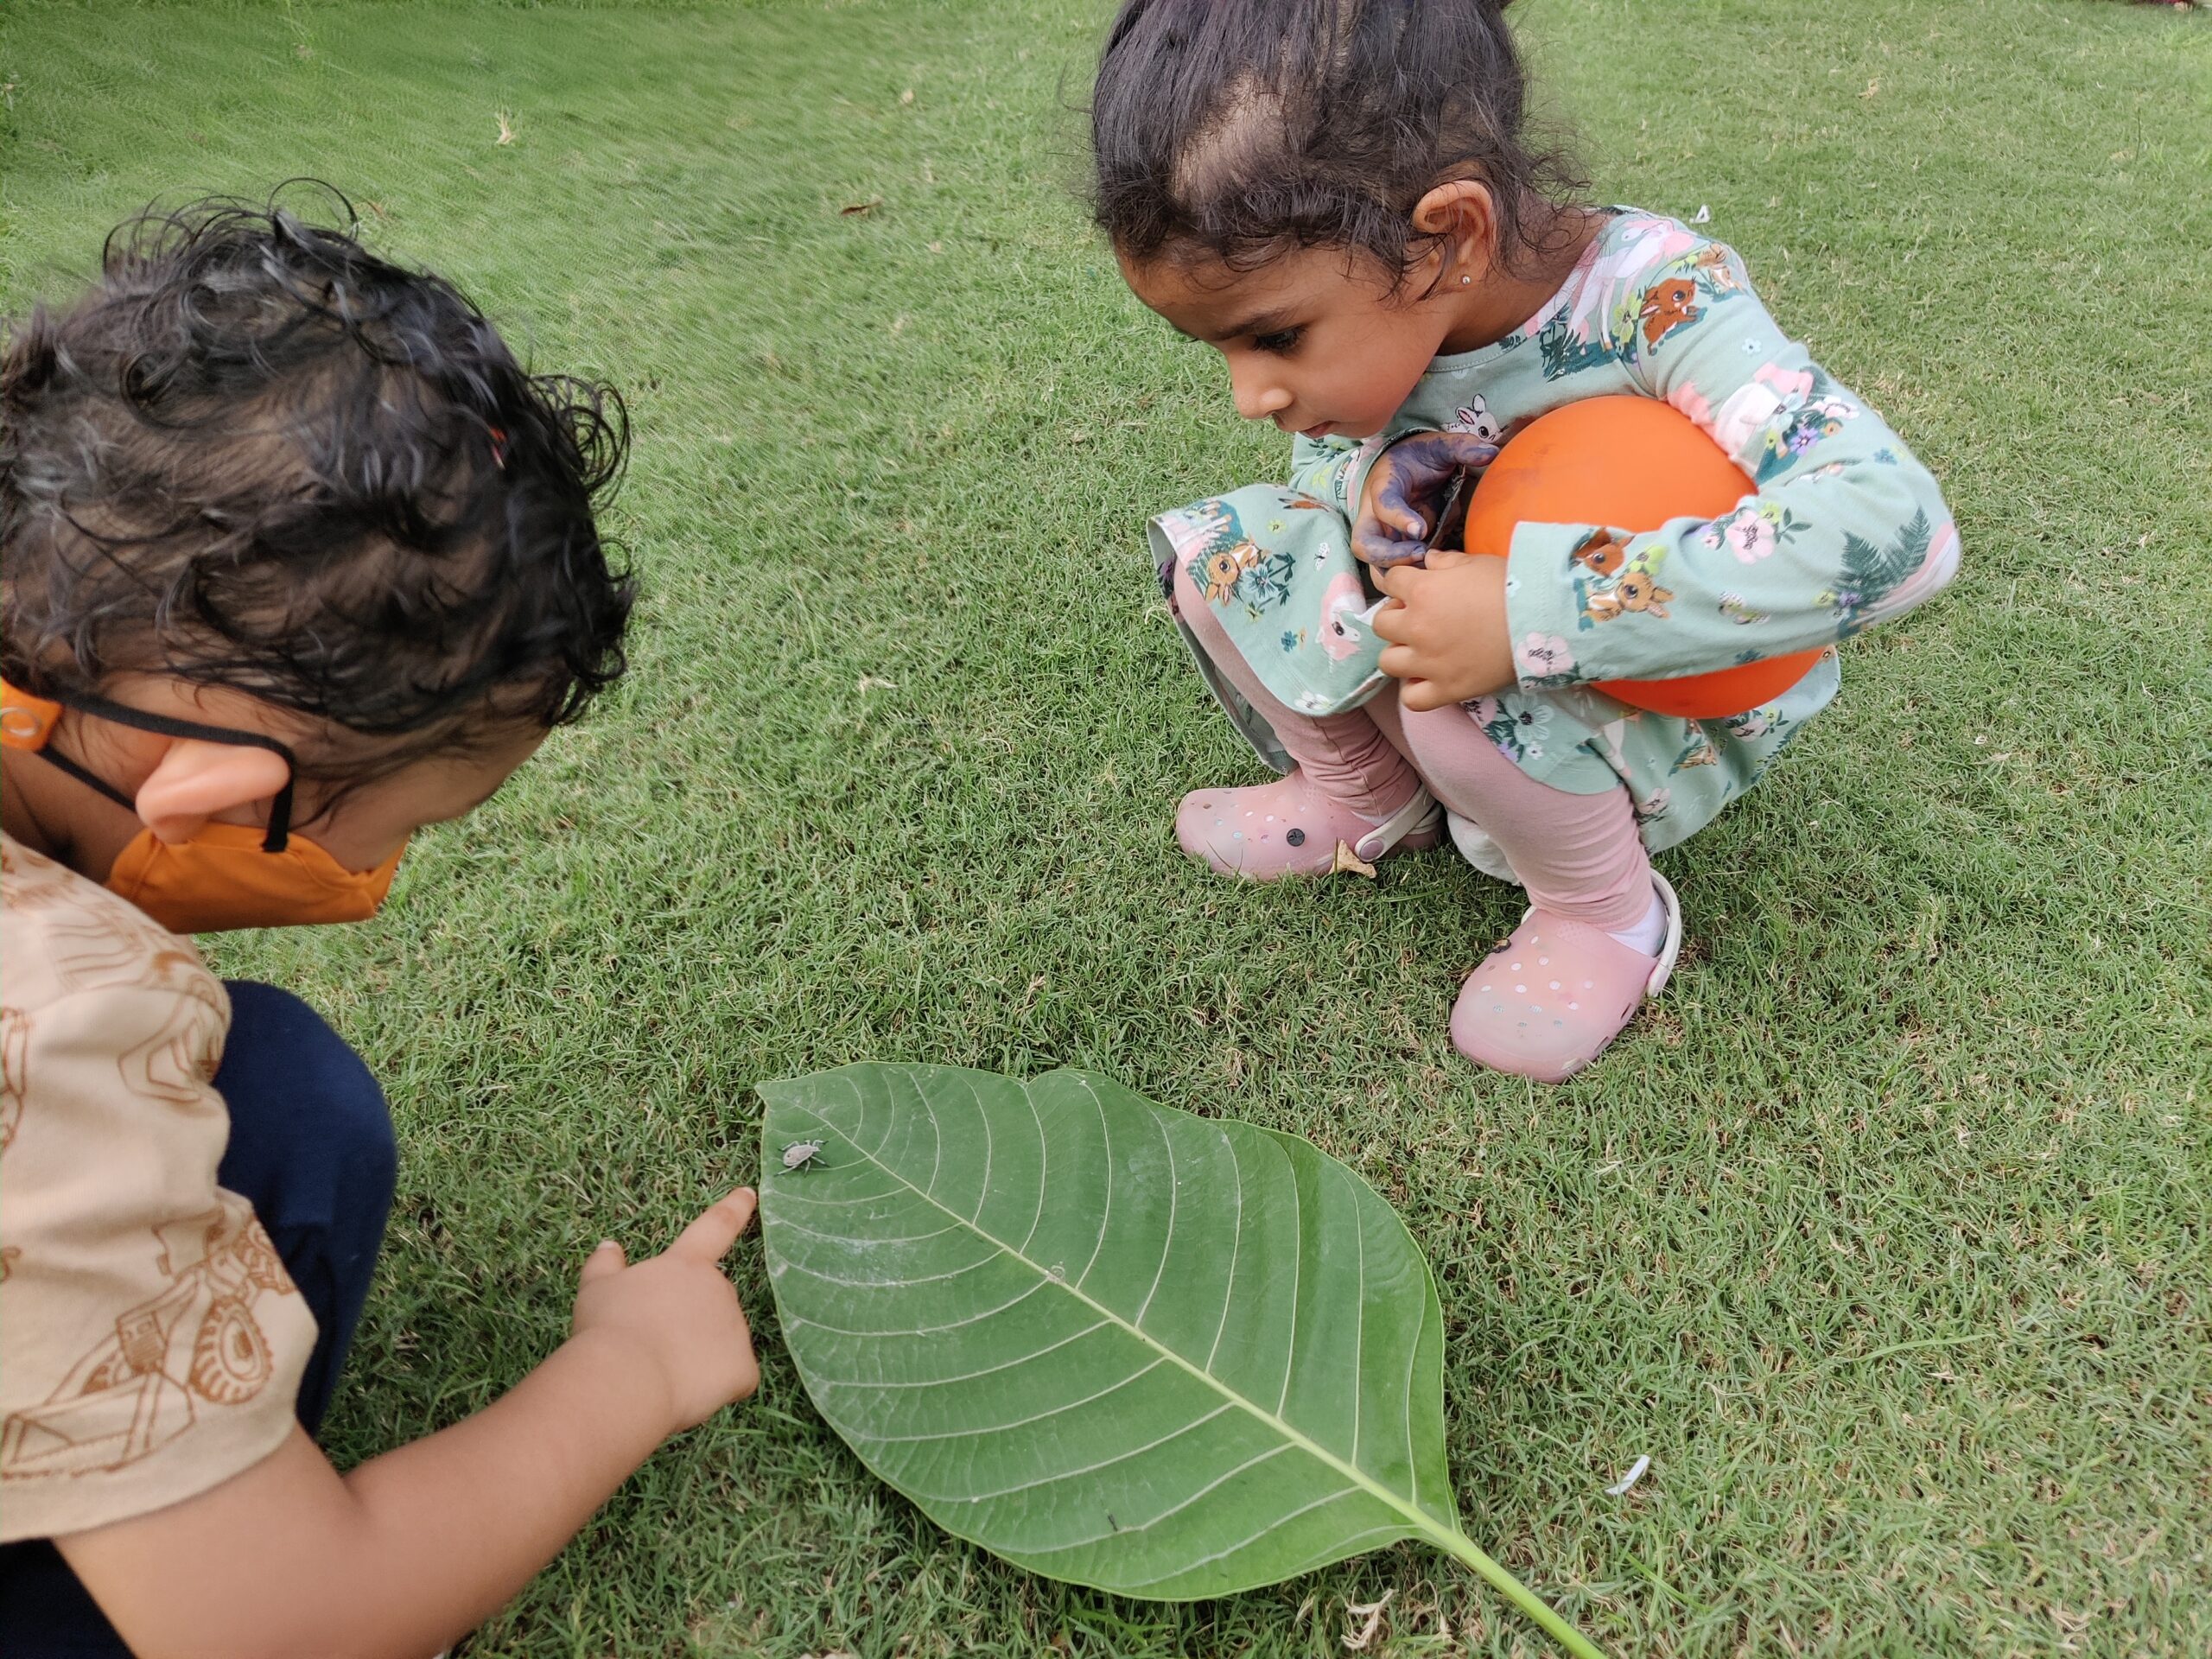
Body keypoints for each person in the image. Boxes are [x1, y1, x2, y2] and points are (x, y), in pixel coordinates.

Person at [0, 195, 760, 1658]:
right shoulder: (56, 1011)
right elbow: (282, 1625)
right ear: (220, 797)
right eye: (401, 825)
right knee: (296, 1112)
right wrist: (631, 1375)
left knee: (262, 1083)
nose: (388, 871)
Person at [1091, 0, 1961, 1080]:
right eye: (1213, 348)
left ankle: (1601, 911)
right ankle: (1367, 794)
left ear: (1450, 235)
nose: (1249, 393)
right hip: (1460, 621)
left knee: (1447, 690)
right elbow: (1330, 484)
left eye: (1275, 336)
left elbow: (1900, 532)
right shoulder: (1398, 320)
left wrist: (1531, 613)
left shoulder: (1655, 302)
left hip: (1662, 695)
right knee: (1227, 561)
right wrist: (1370, 482)